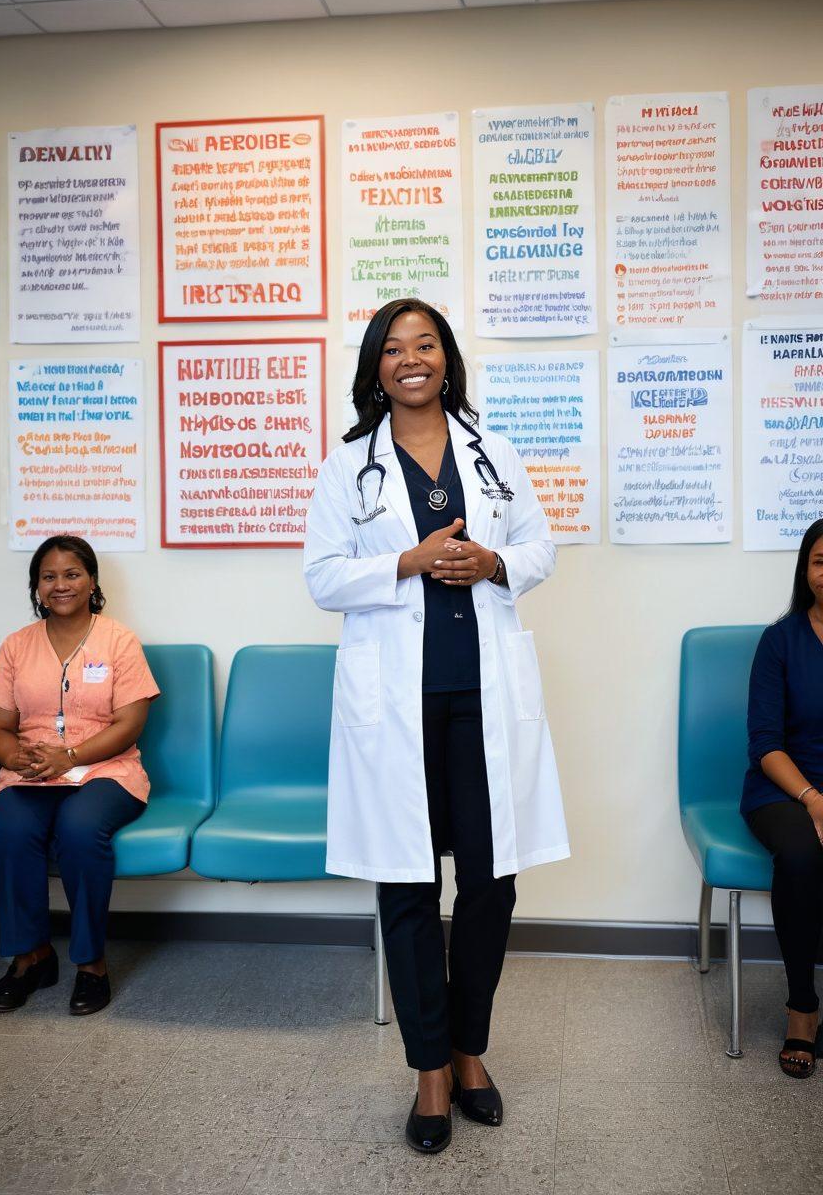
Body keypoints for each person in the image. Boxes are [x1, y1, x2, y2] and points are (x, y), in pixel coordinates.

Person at [304, 299, 568, 1152]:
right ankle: (428, 1072)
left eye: (424, 344)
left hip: (483, 698)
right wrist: (406, 562)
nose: (409, 358)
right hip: (397, 704)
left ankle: (469, 1051)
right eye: (392, 347)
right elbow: (321, 577)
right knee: (408, 883)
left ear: (446, 360)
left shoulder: (494, 453)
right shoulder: (348, 467)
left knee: (492, 883)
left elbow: (540, 548)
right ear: (375, 368)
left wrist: (492, 562)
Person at [0, 535, 159, 1015]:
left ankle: (91, 964)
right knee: (10, 825)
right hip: (32, 772)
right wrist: (13, 758)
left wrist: (71, 755)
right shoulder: (15, 647)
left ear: (91, 582)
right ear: (36, 587)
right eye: (49, 576)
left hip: (106, 768)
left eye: (72, 574)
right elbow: (0, 727)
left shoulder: (119, 640)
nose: (60, 584)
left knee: (80, 829)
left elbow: (130, 724)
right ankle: (31, 957)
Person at [743, 517, 823, 1077]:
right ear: (806, 570)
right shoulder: (781, 640)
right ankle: (801, 1006)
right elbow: (765, 744)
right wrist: (815, 801)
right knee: (800, 856)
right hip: (785, 787)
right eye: (821, 561)